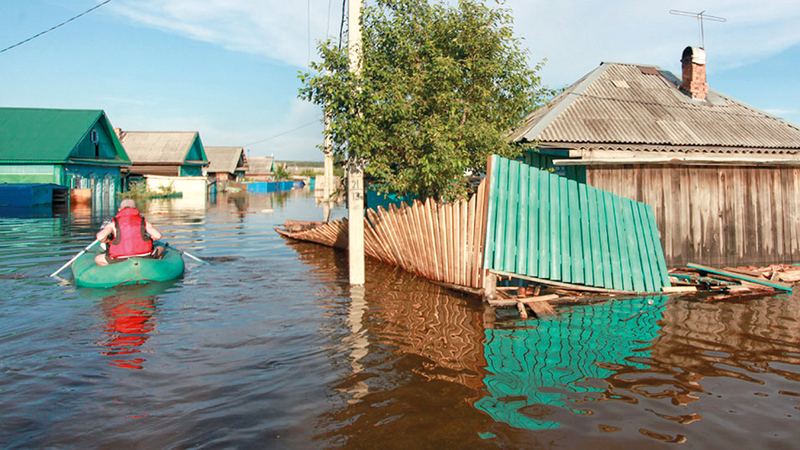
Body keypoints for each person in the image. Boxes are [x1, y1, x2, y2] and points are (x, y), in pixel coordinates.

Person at [95, 199, 165, 266]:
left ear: (120, 209)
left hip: (120, 258)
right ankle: (153, 266)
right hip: (145, 256)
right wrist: (151, 239)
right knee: (161, 248)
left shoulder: (113, 223)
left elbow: (100, 237)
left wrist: (107, 240)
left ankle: (113, 272)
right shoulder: (144, 222)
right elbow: (158, 236)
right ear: (135, 209)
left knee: (98, 259)